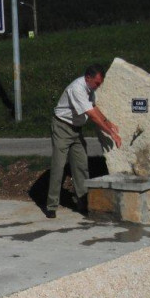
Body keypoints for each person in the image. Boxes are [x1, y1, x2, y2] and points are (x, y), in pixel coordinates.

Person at [45, 65, 122, 219]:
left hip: (76, 130)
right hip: (62, 127)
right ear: (88, 78)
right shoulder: (77, 89)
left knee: (81, 166)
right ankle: (51, 205)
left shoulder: (90, 90)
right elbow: (91, 115)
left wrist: (108, 122)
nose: (98, 86)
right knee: (58, 167)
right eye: (97, 83)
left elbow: (94, 107)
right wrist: (111, 133)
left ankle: (83, 202)